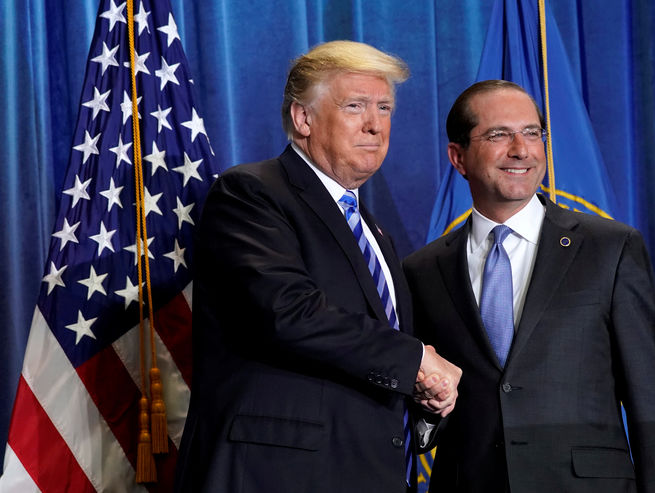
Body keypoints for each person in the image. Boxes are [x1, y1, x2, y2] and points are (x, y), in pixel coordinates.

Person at [175, 41, 461, 493]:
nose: (375, 125)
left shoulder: (373, 233)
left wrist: (423, 397)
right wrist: (416, 359)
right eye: (355, 106)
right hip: (279, 476)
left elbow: (369, 358)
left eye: (384, 108)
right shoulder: (252, 193)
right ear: (302, 118)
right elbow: (288, 313)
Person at [403, 80, 655, 492]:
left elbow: (652, 403)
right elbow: (423, 403)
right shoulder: (423, 269)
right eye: (499, 134)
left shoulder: (611, 248)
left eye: (533, 132)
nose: (521, 149)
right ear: (458, 157)